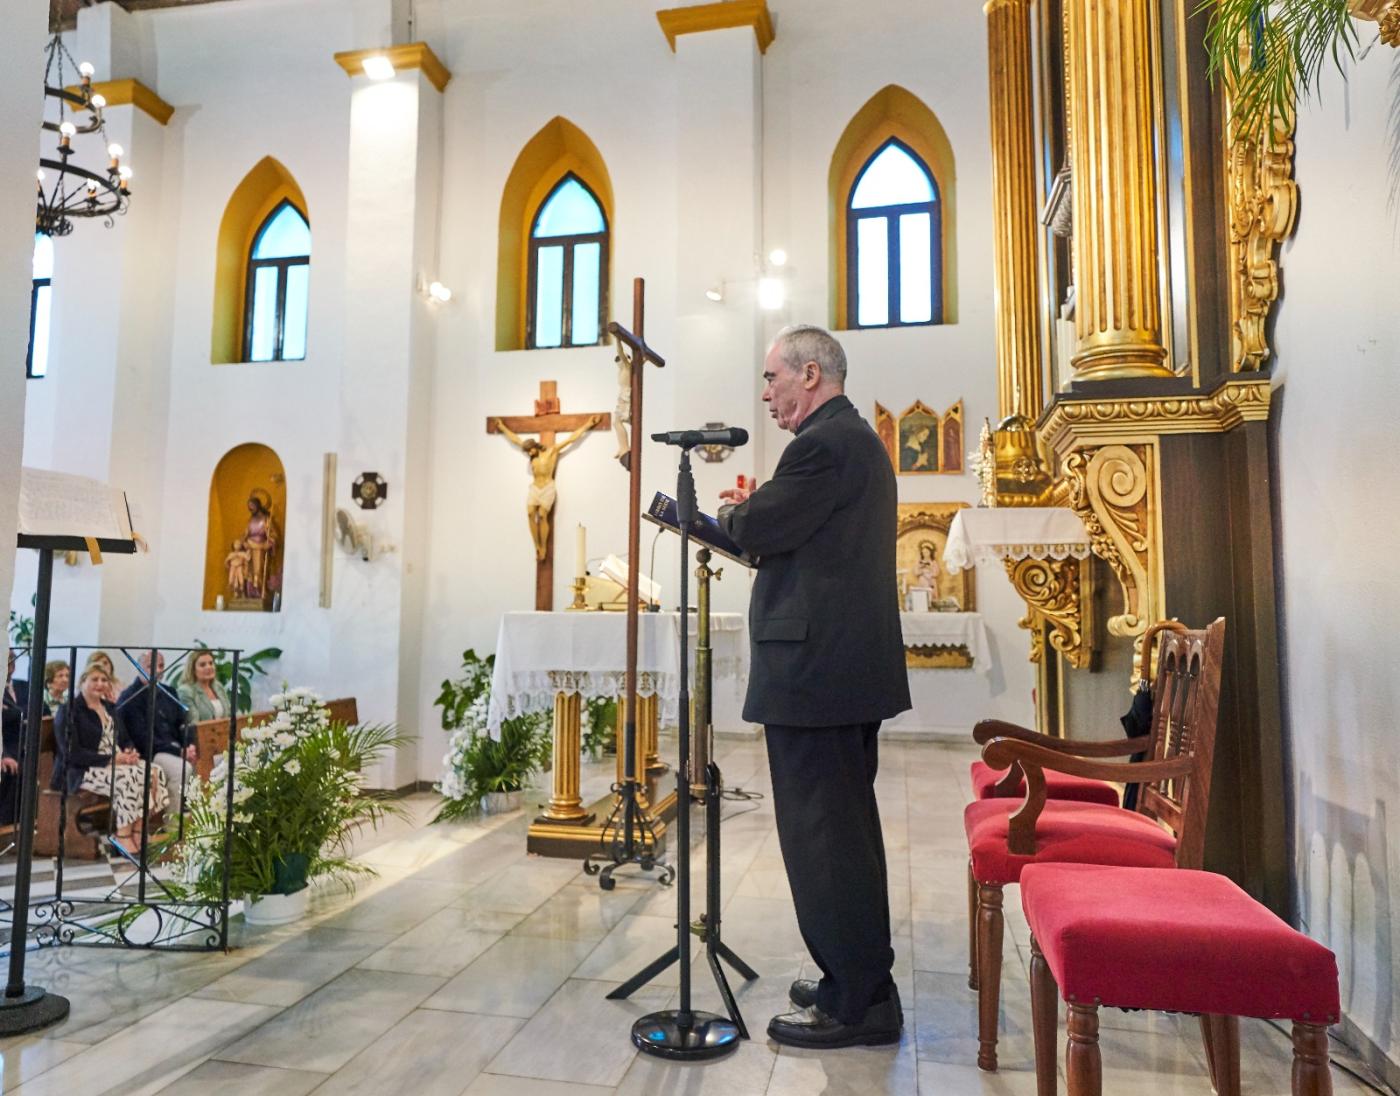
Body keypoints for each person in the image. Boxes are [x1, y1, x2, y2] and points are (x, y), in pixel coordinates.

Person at [718, 323, 911, 1049]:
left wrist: (736, 513)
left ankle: (859, 1003)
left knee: (825, 840)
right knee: (841, 837)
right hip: (834, 670)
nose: (766, 393)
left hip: (818, 671)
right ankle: (852, 978)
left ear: (809, 373)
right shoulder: (849, 441)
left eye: (772, 378)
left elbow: (760, 522)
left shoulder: (826, 443)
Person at [53, 665, 169, 844]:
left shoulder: (109, 707)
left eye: (104, 680)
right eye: (94, 679)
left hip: (115, 761)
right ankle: (123, 837)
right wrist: (113, 759)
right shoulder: (70, 710)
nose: (100, 684)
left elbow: (125, 738)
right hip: (83, 768)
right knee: (129, 779)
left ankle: (138, 832)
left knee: (154, 771)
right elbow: (72, 753)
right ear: (82, 682)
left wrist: (130, 752)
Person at [116, 651, 197, 819]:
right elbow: (143, 738)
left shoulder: (169, 692)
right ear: (139, 668)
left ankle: (193, 824)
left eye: (160, 666)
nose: (157, 670)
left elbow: (185, 722)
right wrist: (178, 752)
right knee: (182, 769)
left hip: (173, 749)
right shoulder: (131, 697)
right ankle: (172, 826)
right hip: (150, 753)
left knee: (203, 764)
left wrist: (189, 745)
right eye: (151, 666)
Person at [1, 650, 26, 825]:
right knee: (11, 769)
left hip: (22, 746)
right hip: (7, 748)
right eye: (7, 659)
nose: (11, 663)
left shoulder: (24, 686)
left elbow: (43, 711)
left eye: (12, 659)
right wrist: (4, 755)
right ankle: (6, 824)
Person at [178, 649, 231, 723]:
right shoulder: (186, 691)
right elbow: (193, 723)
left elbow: (230, 714)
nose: (209, 667)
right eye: (203, 665)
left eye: (211, 663)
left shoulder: (218, 686)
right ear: (193, 669)